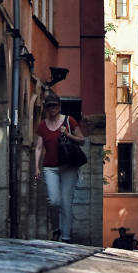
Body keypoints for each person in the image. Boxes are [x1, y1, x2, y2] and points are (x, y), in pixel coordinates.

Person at [34, 92, 84, 241]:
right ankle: (56, 227)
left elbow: (81, 140)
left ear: (59, 106)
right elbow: (38, 147)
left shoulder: (70, 121)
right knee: (54, 200)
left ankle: (66, 237)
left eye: (54, 105)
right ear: (46, 108)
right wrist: (36, 167)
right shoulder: (42, 125)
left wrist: (68, 134)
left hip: (68, 166)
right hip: (50, 167)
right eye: (49, 106)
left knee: (66, 202)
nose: (52, 109)